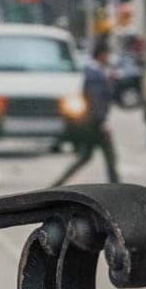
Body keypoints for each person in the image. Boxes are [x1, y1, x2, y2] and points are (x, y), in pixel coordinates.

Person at [52, 40, 120, 187]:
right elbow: (96, 101)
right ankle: (117, 189)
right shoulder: (95, 75)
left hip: (93, 123)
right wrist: (103, 122)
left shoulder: (96, 72)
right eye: (107, 54)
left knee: (86, 157)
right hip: (95, 124)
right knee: (110, 159)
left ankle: (57, 184)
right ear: (102, 55)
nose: (108, 58)